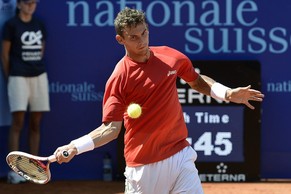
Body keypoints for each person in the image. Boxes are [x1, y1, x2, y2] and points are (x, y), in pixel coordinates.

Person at [53, 7, 264, 194]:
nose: (142, 41)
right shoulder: (120, 77)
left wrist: (227, 93)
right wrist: (75, 147)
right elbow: (110, 129)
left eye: (144, 33)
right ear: (121, 39)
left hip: (180, 154)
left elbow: (197, 81)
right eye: (134, 37)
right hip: (144, 166)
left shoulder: (170, 56)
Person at [1, 0, 49, 184]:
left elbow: (42, 49)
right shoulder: (11, 25)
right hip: (17, 77)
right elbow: (4, 55)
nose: (31, 5)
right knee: (18, 121)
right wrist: (11, 76)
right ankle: (14, 170)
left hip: (39, 76)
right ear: (19, 4)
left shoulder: (39, 24)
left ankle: (32, 170)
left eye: (33, 2)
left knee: (36, 122)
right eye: (27, 2)